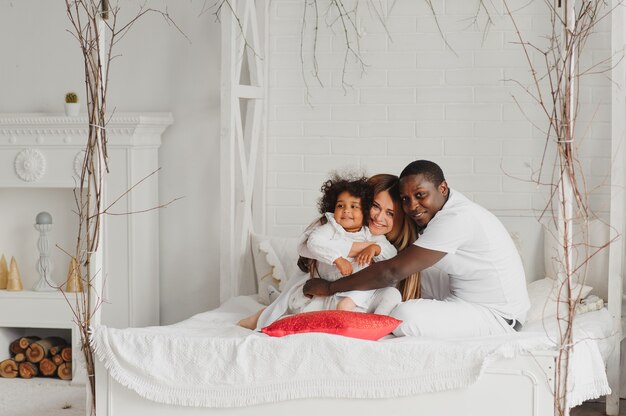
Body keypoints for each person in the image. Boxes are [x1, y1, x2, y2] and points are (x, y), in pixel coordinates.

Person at [303, 160, 531, 338]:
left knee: (403, 314)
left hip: (498, 316)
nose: (412, 206)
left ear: (442, 188)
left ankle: (352, 309)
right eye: (405, 198)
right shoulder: (438, 211)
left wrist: (331, 286)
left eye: (420, 195)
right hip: (463, 290)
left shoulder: (457, 219)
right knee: (403, 280)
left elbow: (390, 271)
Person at [238, 174, 418, 330]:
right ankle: (267, 310)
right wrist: (350, 252)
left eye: (390, 213)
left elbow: (390, 254)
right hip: (326, 290)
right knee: (288, 306)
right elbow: (308, 245)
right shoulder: (337, 225)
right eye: (376, 207)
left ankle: (375, 327)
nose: (379, 217)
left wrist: (374, 248)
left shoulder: (377, 239)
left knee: (391, 295)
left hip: (357, 298)